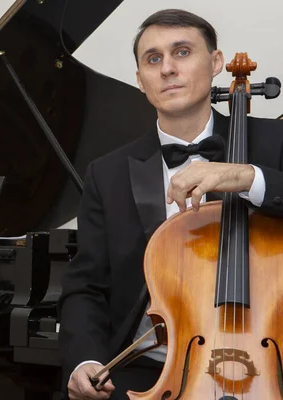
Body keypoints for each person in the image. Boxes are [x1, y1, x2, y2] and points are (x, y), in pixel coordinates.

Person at [58, 9, 283, 400]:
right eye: (153, 59)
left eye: (182, 52)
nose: (167, 69)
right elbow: (86, 286)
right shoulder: (106, 174)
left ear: (215, 63)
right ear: (140, 81)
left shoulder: (273, 141)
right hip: (147, 373)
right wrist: (84, 359)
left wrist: (248, 177)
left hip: (269, 367)